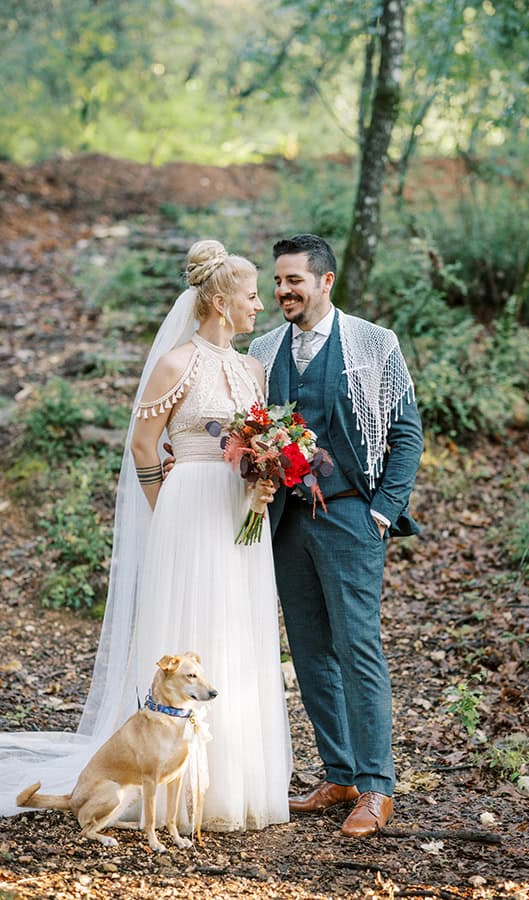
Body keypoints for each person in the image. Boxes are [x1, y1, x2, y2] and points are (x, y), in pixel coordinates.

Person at [0, 240, 291, 834]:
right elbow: (142, 444)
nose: (260, 305)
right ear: (218, 298)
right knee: (190, 621)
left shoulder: (253, 369)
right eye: (251, 294)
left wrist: (264, 483)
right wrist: (168, 510)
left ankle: (230, 784)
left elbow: (257, 447)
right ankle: (161, 775)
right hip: (186, 508)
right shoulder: (176, 363)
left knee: (237, 627)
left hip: (240, 514)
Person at [249, 233, 423, 838]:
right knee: (309, 649)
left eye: (293, 280)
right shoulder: (265, 347)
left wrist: (383, 511)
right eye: (276, 281)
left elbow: (406, 433)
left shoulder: (375, 344)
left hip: (352, 517)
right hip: (287, 523)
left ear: (325, 281)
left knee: (359, 649)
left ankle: (376, 788)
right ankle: (339, 773)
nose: (281, 291)